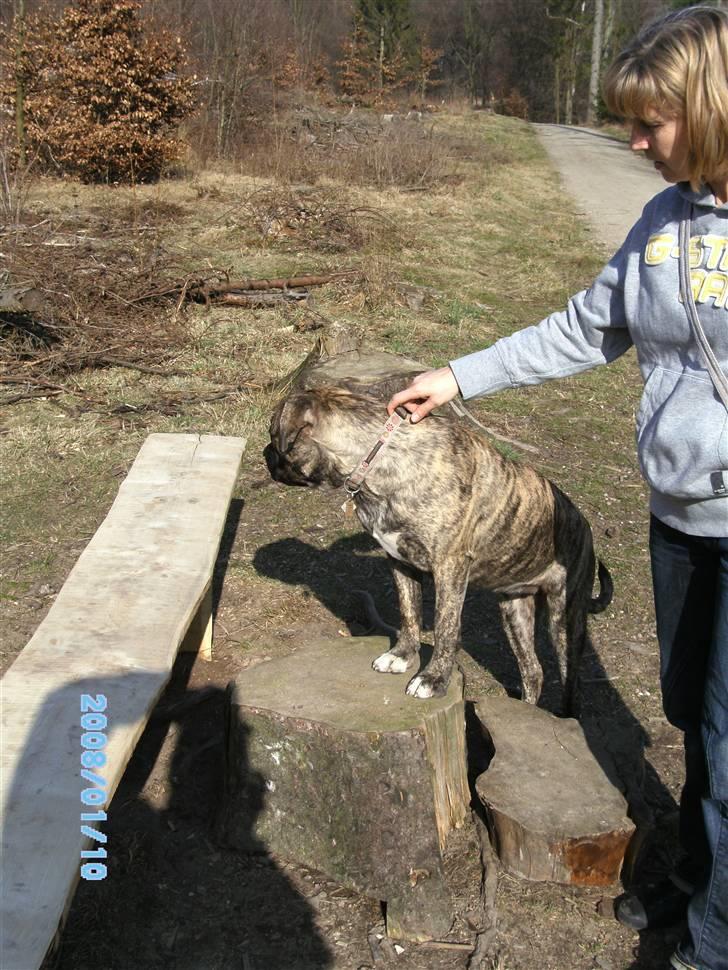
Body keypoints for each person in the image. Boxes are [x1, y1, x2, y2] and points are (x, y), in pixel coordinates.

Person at [387, 7, 728, 970]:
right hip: (681, 521)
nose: (633, 142)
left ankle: (713, 942)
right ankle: (705, 871)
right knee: (691, 714)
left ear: (708, 107)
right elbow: (584, 327)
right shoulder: (665, 220)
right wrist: (459, 375)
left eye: (651, 121)